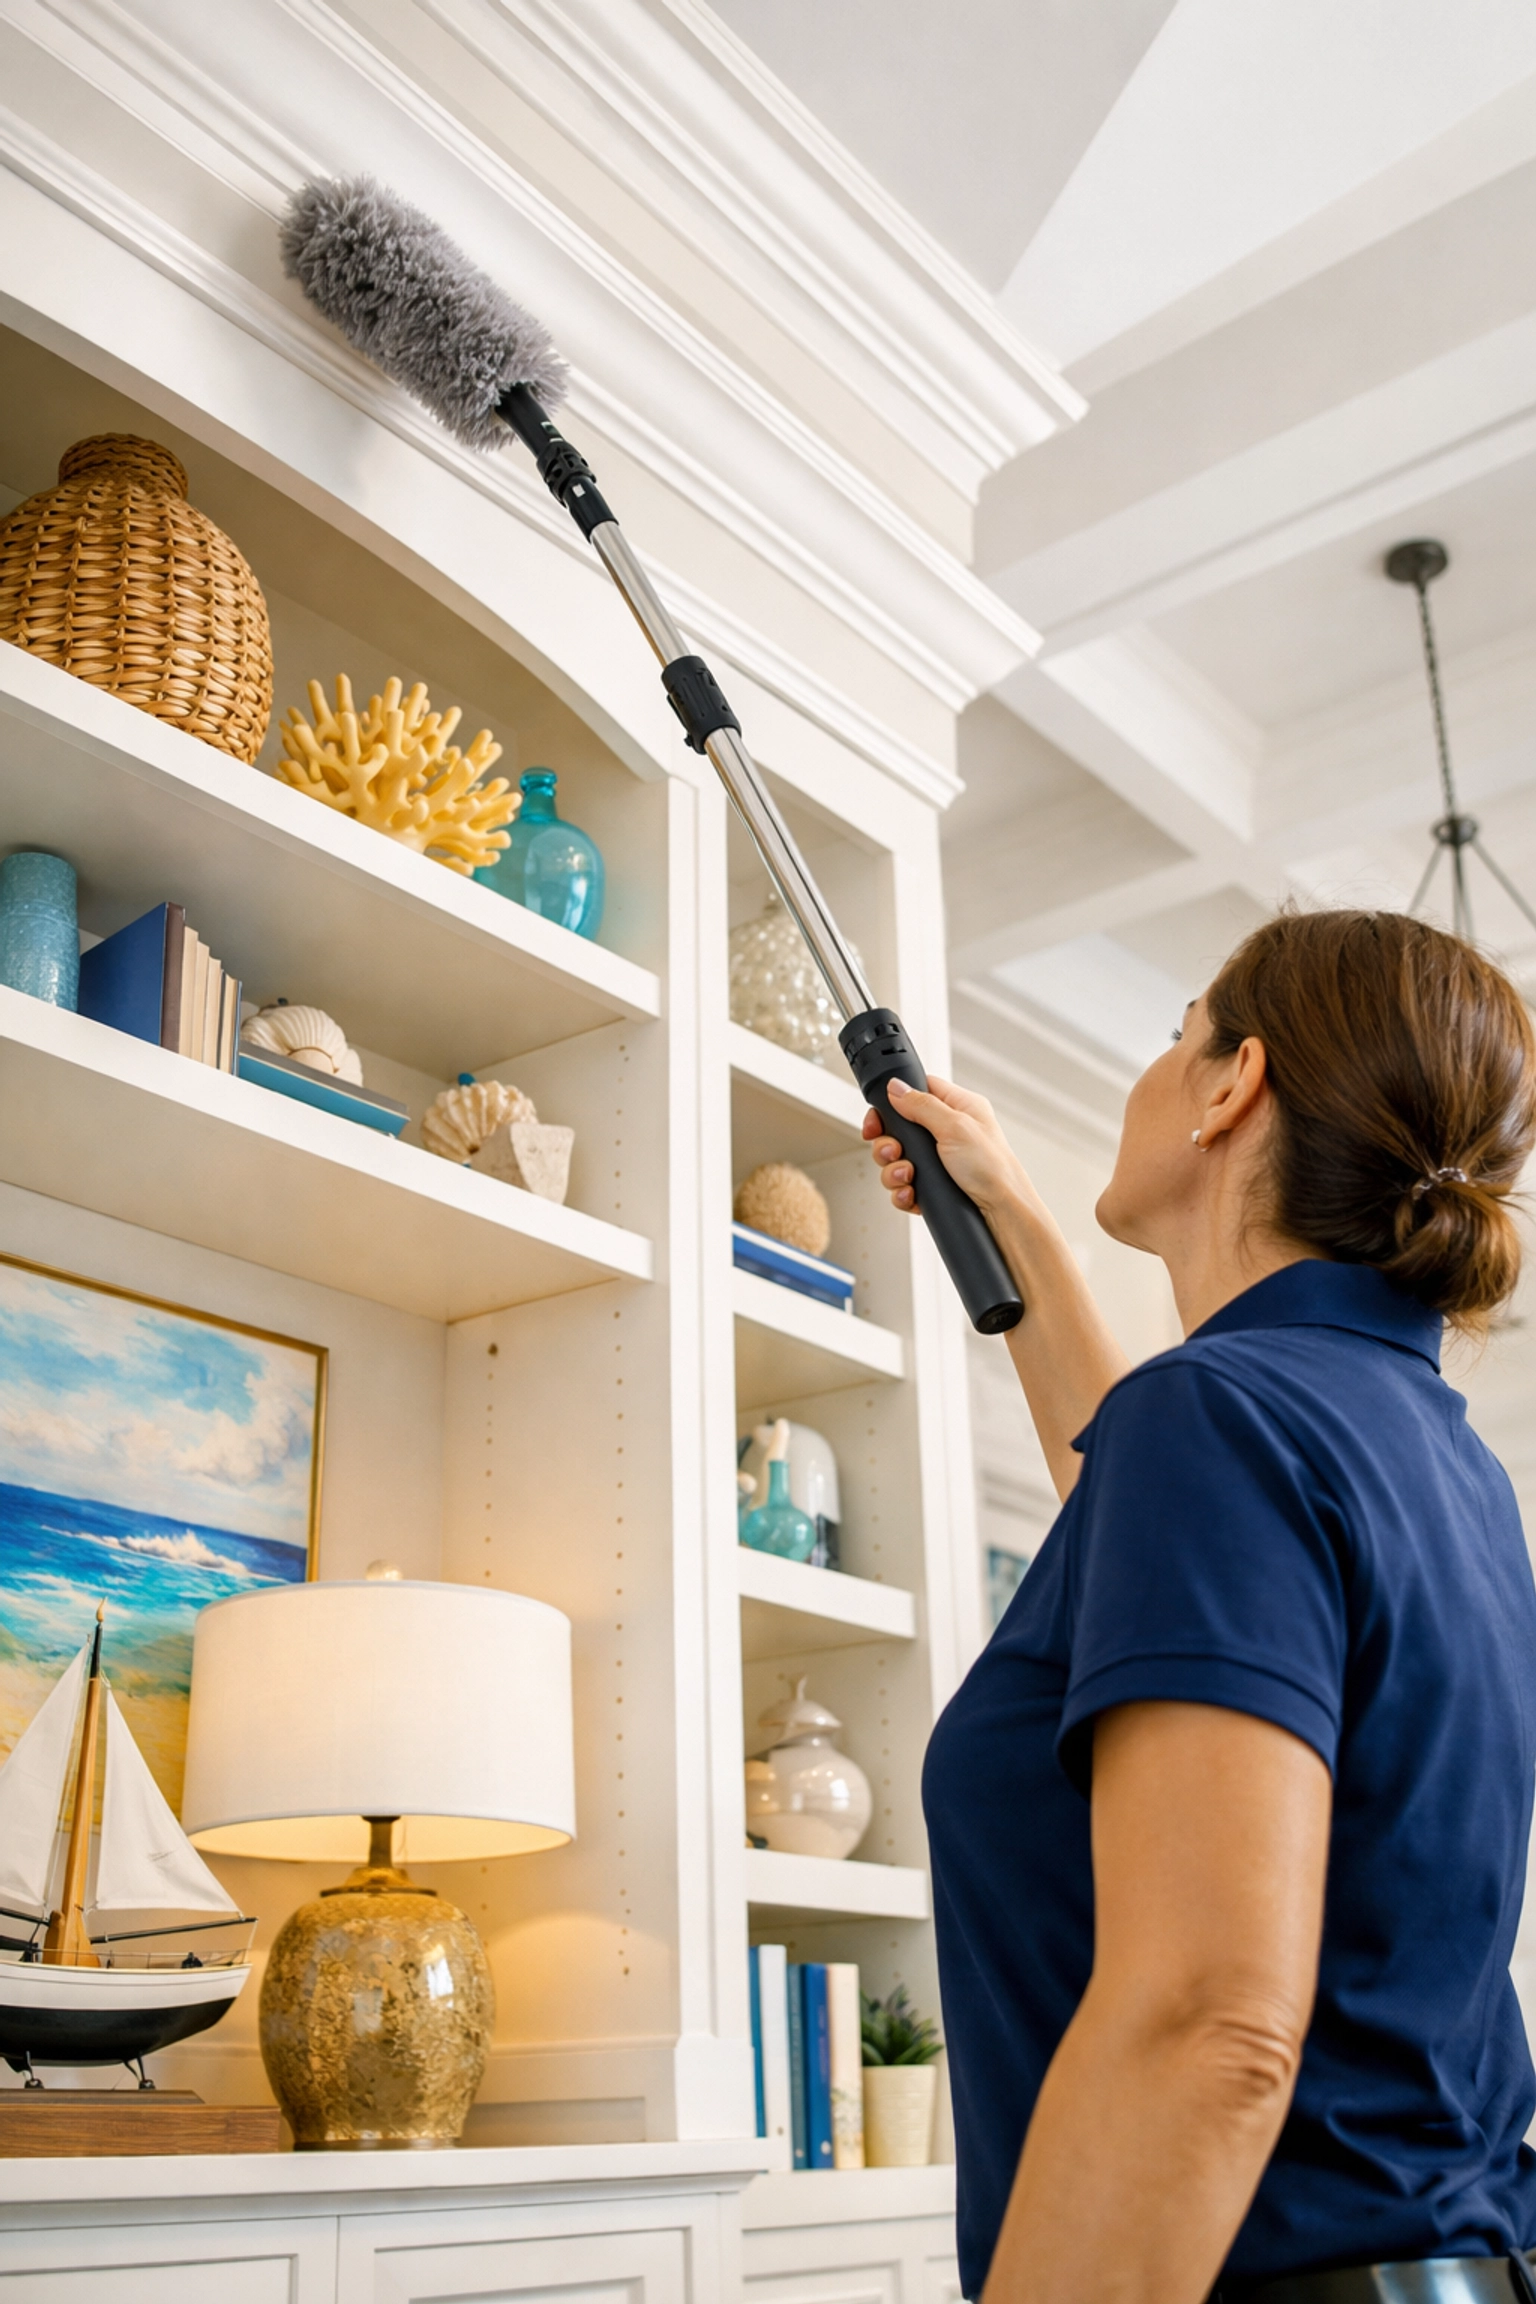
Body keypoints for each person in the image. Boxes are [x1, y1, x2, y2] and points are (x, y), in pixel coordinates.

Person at [864, 909, 1536, 2304]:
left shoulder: (1220, 1421)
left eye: (1175, 1039)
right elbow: (1145, 1512)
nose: (1156, 1068)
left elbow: (1211, 2027)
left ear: (1233, 1086)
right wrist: (1020, 1226)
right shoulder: (1442, 1460)